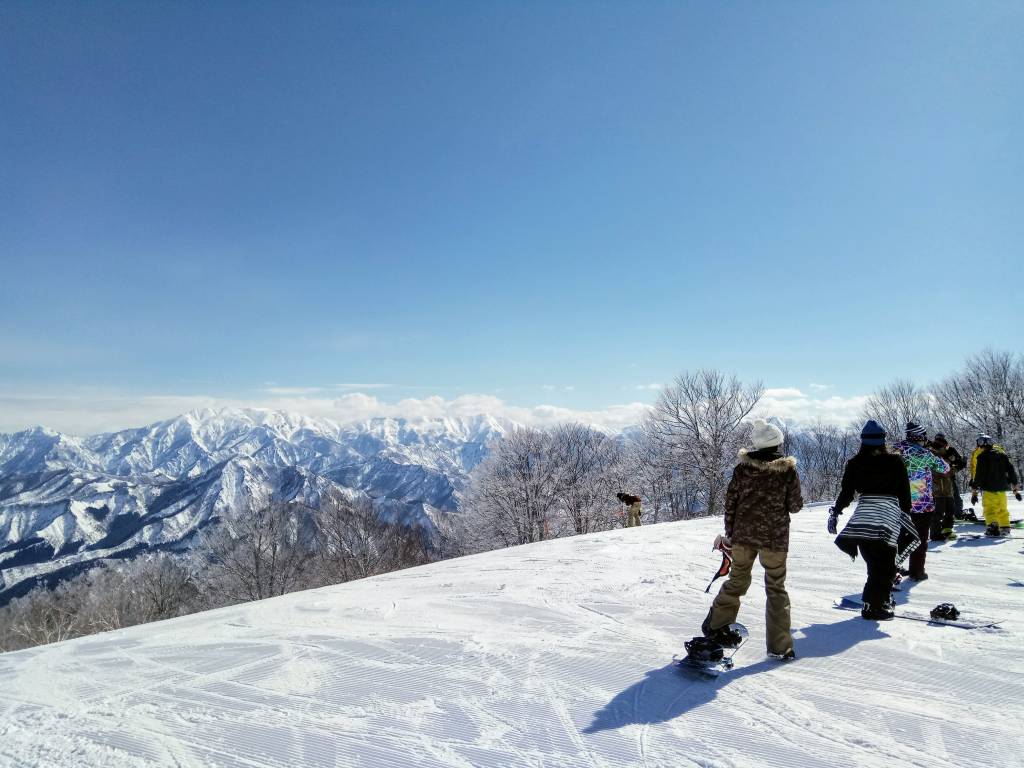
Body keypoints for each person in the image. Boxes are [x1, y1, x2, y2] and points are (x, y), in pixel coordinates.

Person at [700, 419, 802, 660]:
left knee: (737, 581)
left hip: (744, 537)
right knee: (776, 588)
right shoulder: (787, 470)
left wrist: (731, 533)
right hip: (775, 539)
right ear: (777, 442)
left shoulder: (742, 469)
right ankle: (780, 648)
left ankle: (716, 627)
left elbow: (730, 504)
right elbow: (795, 506)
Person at [829, 420, 918, 620]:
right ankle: (874, 605)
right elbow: (904, 492)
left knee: (873, 562)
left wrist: (836, 511)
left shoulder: (855, 463)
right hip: (887, 516)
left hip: (863, 518)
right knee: (885, 564)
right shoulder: (895, 461)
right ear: (883, 440)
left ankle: (877, 601)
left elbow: (847, 492)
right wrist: (906, 515)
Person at [891, 422, 949, 580]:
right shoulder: (926, 454)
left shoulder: (896, 451)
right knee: (920, 538)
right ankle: (917, 572)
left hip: (899, 502)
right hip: (922, 504)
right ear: (920, 437)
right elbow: (945, 468)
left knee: (899, 537)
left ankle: (893, 570)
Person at [970, 435, 1021, 537]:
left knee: (989, 509)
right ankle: (1005, 527)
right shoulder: (1002, 456)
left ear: (981, 445)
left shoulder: (982, 457)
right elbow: (1011, 471)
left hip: (989, 490)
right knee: (1002, 509)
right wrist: (1015, 487)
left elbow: (979, 474)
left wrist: (974, 491)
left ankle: (992, 527)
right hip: (1002, 489)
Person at [927, 434, 966, 541]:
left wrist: (959, 464)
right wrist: (957, 468)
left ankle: (947, 529)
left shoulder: (944, 457)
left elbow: (951, 468)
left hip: (947, 489)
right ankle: (935, 533)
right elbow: (945, 472)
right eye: (945, 448)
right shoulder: (934, 458)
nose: (947, 450)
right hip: (938, 491)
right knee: (938, 512)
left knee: (950, 510)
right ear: (940, 448)